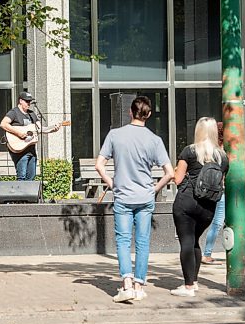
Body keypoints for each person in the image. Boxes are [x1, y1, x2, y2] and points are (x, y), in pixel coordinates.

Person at [95, 96, 174, 302]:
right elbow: (169, 172)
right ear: (148, 114)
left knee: (122, 240)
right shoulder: (154, 140)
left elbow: (99, 165)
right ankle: (139, 285)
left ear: (130, 112)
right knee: (142, 241)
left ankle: (126, 284)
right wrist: (153, 189)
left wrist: (112, 184)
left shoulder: (115, 135)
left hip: (123, 196)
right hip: (145, 197)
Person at [172, 117, 229, 297]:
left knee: (186, 242)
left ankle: (188, 286)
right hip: (208, 206)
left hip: (186, 202)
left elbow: (178, 179)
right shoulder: (223, 157)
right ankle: (194, 281)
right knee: (195, 241)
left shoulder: (189, 151)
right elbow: (221, 182)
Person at [201, 122, 245, 265]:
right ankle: (207, 254)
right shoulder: (223, 153)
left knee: (230, 221)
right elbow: (235, 175)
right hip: (221, 193)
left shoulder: (213, 151)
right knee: (219, 223)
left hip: (220, 192)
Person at [0, 91, 59, 181]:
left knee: (31, 176)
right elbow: (3, 124)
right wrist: (19, 133)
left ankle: (28, 195)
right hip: (19, 150)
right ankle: (20, 195)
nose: (29, 104)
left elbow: (41, 129)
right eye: (27, 101)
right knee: (22, 176)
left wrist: (52, 129)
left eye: (30, 101)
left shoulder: (32, 114)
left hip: (31, 149)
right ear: (20, 101)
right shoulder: (14, 112)